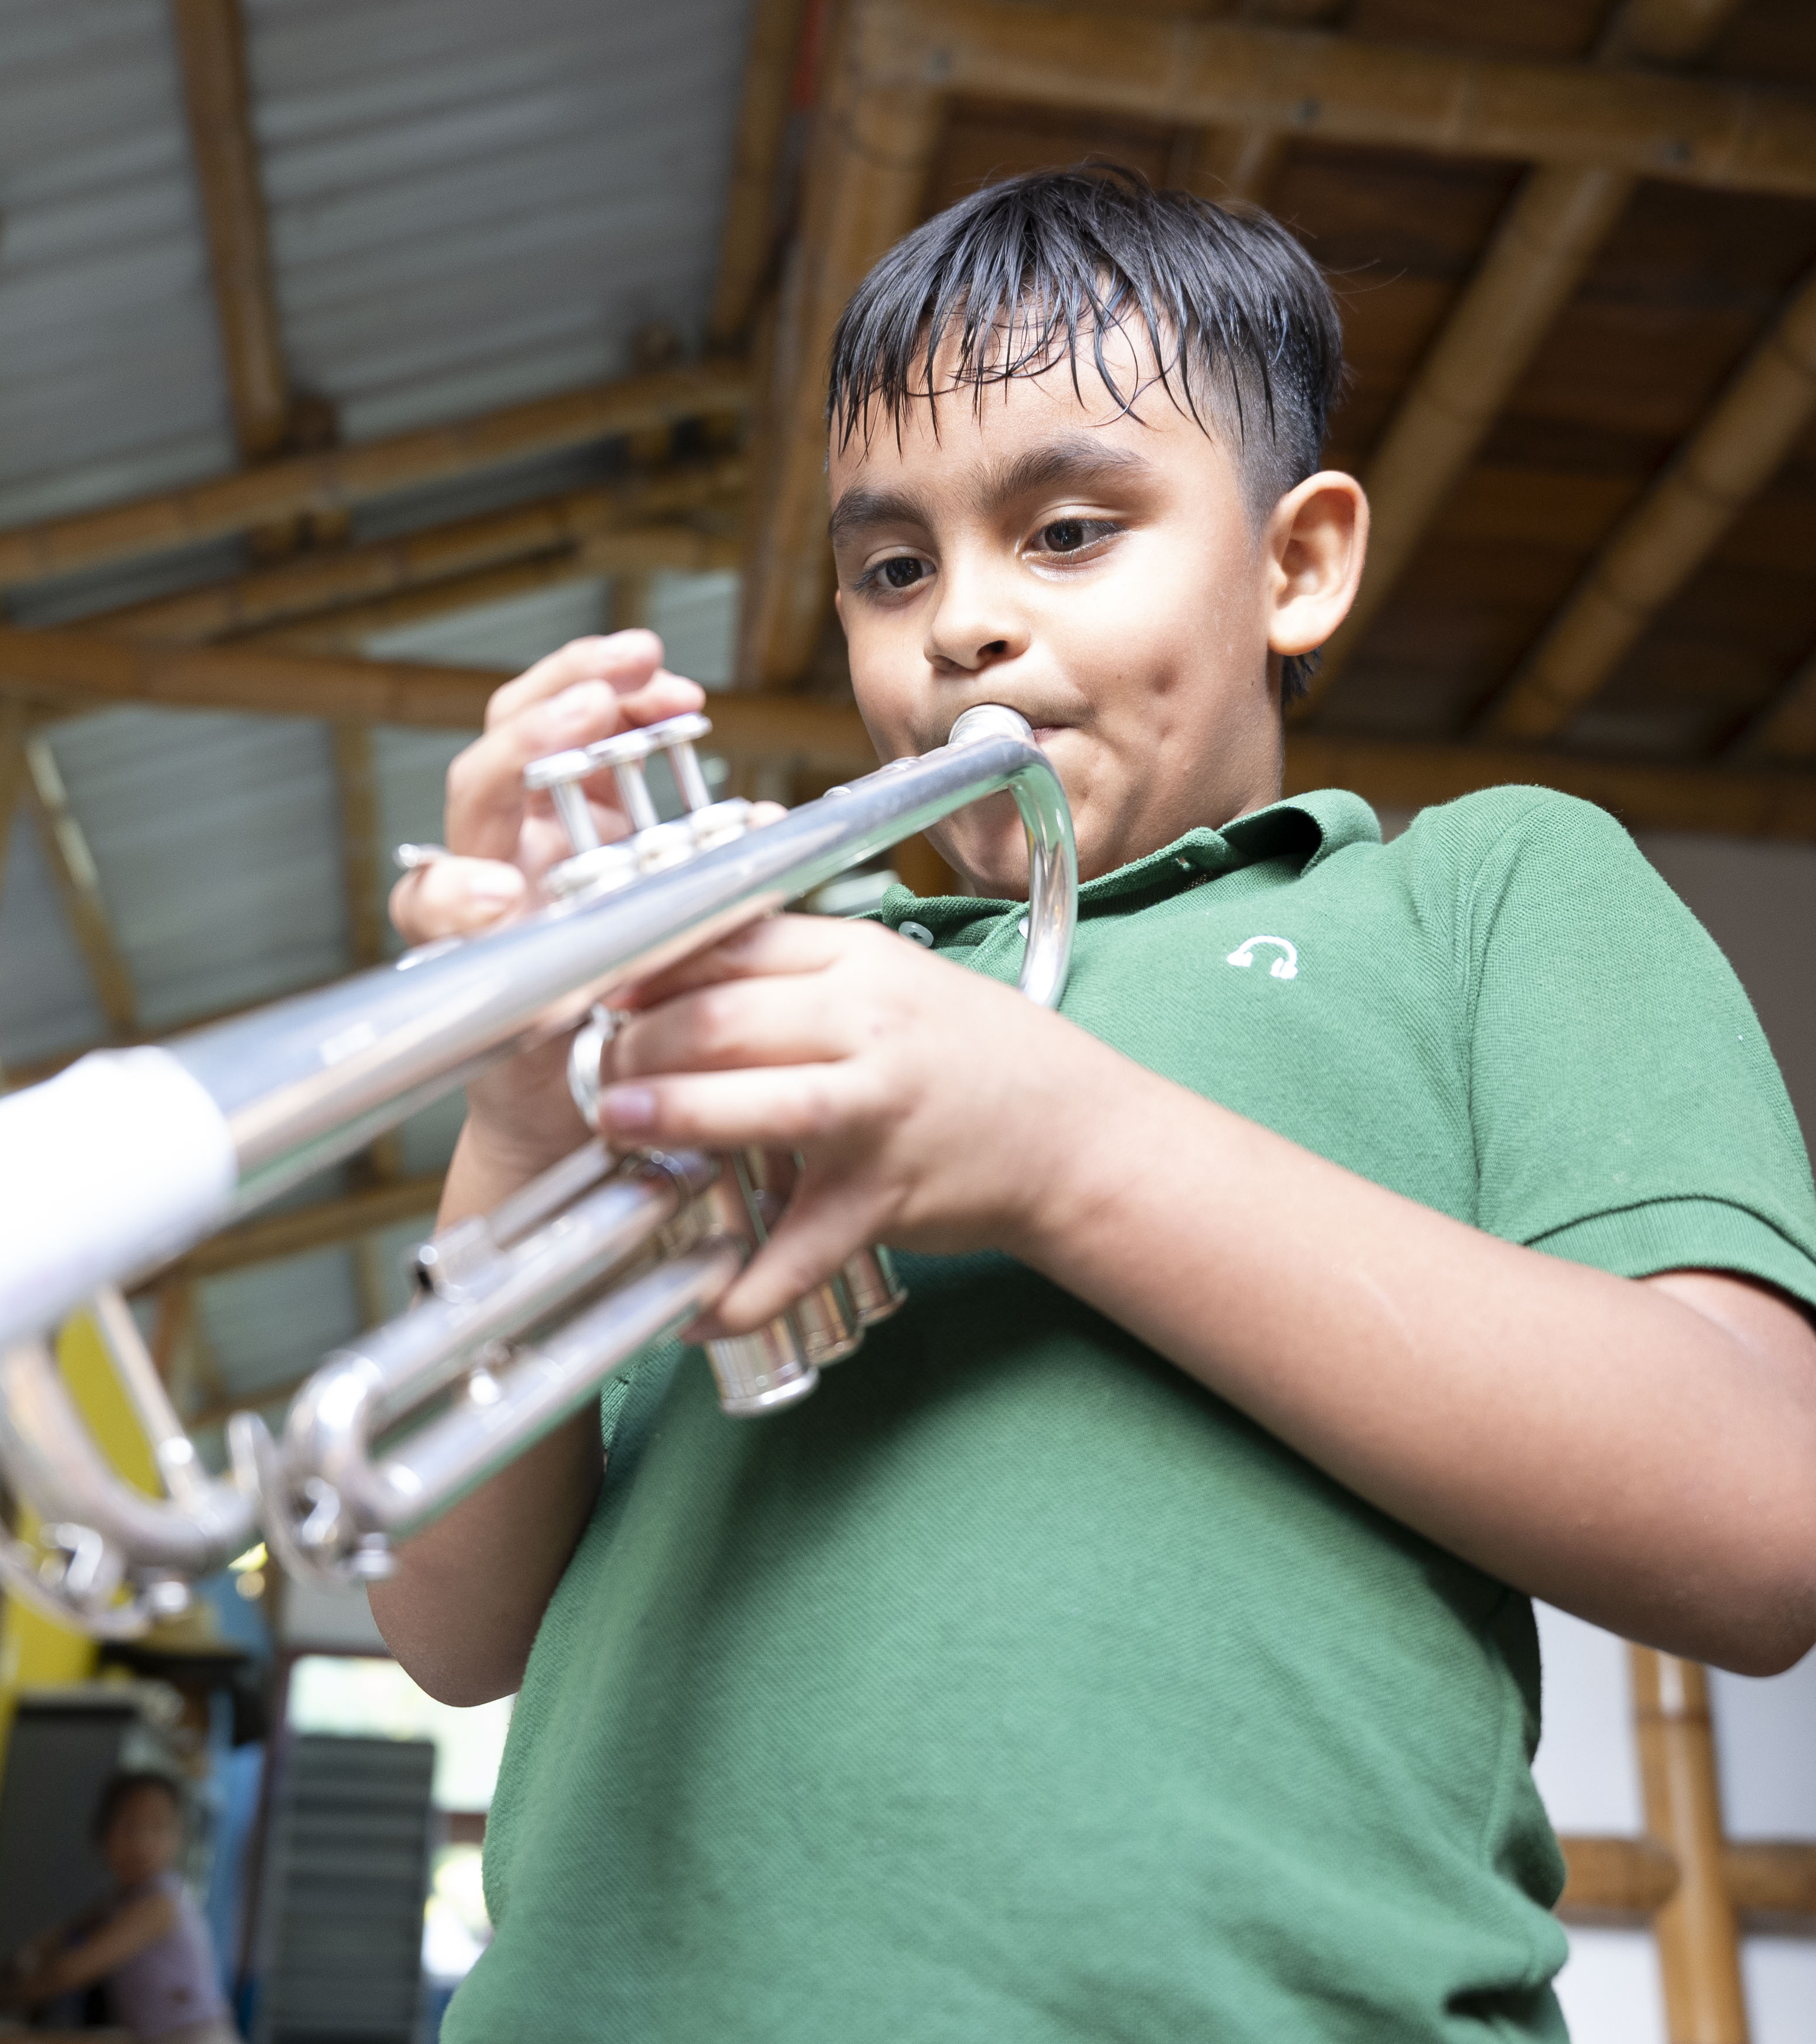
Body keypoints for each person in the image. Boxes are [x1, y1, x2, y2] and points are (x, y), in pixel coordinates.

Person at [377, 166, 1816, 2040]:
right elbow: (450, 1629)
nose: (960, 624)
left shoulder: (1475, 895)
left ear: (1294, 566)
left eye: (1064, 532)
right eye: (891, 569)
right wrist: (520, 1111)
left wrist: (1062, 1147)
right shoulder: (763, 988)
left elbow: (1760, 1519)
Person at [0, 1770, 239, 2044]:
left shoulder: (159, 1904)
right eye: (128, 1827)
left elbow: (64, 1974)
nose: (142, 1843)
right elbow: (57, 1940)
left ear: (178, 1838)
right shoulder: (118, 1902)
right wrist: (11, 1970)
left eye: (159, 1827)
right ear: (101, 1834)